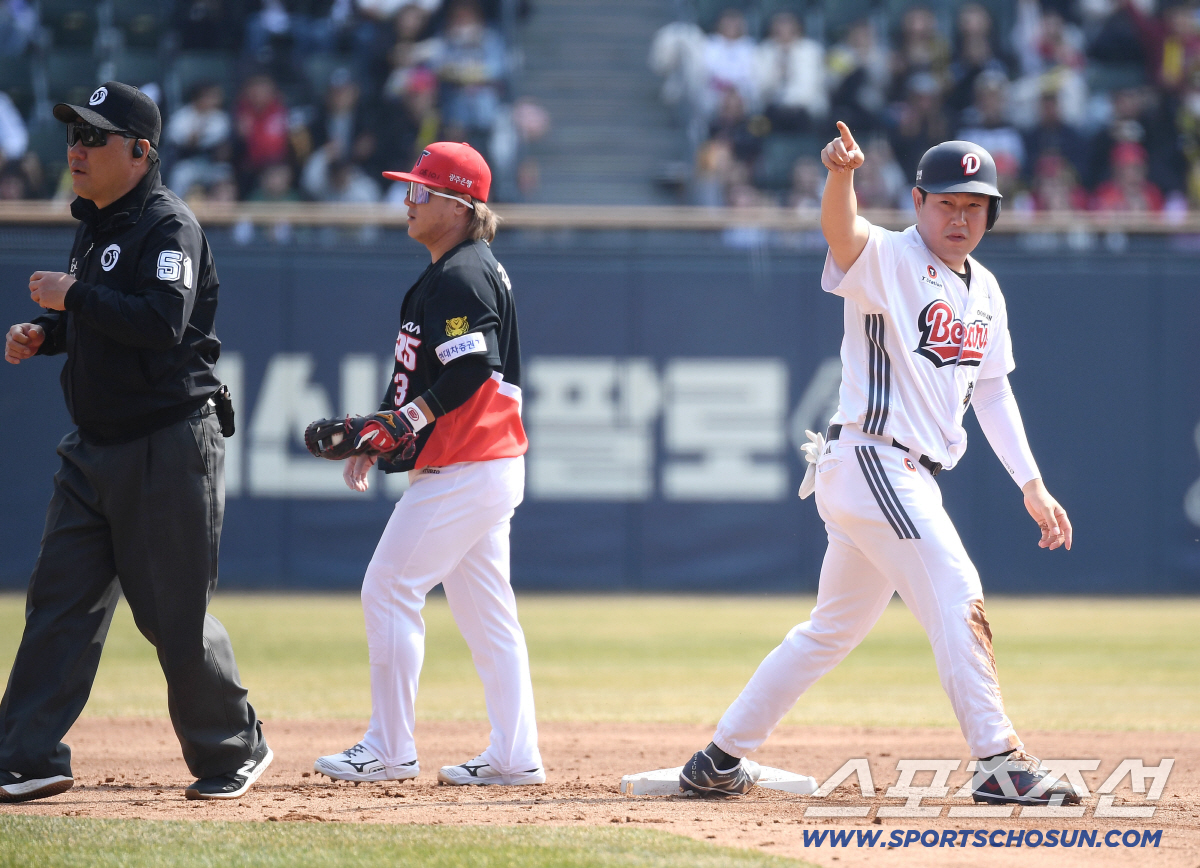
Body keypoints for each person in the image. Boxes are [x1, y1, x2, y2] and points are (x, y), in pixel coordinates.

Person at [677, 123, 1080, 808]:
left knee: (829, 631)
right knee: (957, 590)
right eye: (947, 202)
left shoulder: (985, 289)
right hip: (876, 460)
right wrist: (841, 176)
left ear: (991, 214)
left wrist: (1031, 483)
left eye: (974, 205)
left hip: (895, 472)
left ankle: (717, 758)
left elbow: (991, 389)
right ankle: (998, 760)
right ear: (919, 201)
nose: (959, 217)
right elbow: (842, 232)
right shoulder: (891, 258)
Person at [0, 82, 269, 803]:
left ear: (139, 152)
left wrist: (72, 299)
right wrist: (49, 334)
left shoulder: (167, 225)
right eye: (73, 135)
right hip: (94, 447)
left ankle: (234, 747)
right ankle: (26, 756)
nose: (76, 149)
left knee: (172, 616)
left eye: (93, 137)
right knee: (59, 602)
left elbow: (159, 323)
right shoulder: (96, 223)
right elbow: (102, 321)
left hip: (167, 443)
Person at [307, 142, 542, 787]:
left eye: (420, 189)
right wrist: (377, 433)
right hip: (481, 465)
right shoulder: (451, 269)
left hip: (468, 464)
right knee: (489, 617)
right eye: (409, 187)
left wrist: (401, 423)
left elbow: (472, 367)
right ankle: (515, 756)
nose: (407, 199)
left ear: (459, 204)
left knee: (387, 589)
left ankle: (388, 748)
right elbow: (417, 372)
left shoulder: (464, 272)